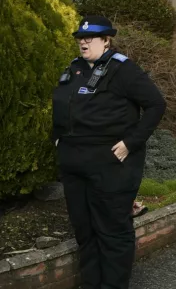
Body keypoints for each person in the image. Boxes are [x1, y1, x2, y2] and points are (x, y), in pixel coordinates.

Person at [51, 16, 166, 289]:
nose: (83, 41)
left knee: (112, 233)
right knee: (85, 232)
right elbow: (63, 107)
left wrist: (131, 142)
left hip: (111, 166)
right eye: (81, 37)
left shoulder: (122, 69)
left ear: (106, 40)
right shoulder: (75, 68)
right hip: (74, 165)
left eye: (91, 37)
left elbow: (156, 105)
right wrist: (57, 139)